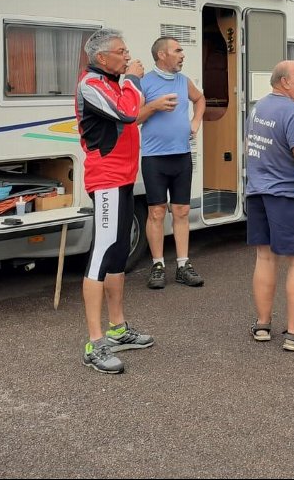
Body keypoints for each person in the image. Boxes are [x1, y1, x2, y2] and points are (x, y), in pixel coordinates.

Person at [75, 28, 155, 375]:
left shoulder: (113, 82)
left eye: (127, 51)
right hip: (105, 179)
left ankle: (118, 329)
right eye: (121, 51)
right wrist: (133, 80)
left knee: (120, 253)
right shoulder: (91, 86)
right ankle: (94, 344)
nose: (127, 56)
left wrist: (127, 82)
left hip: (124, 177)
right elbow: (127, 113)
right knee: (102, 255)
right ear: (101, 58)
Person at [243, 60, 294, 351]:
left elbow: (249, 146)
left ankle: (263, 325)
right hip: (289, 197)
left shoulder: (258, 108)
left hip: (258, 193)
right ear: (285, 82)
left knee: (264, 258)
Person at [137, 37, 206, 289]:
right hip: (154, 157)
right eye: (177, 51)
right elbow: (133, 118)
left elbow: (200, 99)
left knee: (182, 212)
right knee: (156, 212)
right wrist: (154, 106)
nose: (182, 55)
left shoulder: (183, 81)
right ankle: (157, 265)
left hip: (181, 155)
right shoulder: (145, 83)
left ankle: (183, 265)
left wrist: (196, 122)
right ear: (161, 55)